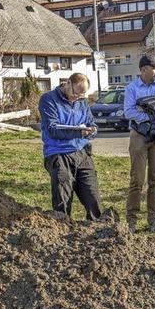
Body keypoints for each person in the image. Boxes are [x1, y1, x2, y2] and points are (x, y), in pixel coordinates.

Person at [38, 72, 102, 220]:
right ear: (67, 84)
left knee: (93, 197)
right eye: (75, 93)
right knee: (63, 199)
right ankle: (62, 230)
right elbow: (53, 129)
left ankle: (97, 230)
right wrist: (80, 133)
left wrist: (92, 131)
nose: (77, 97)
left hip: (81, 152)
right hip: (58, 154)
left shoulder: (82, 102)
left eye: (82, 95)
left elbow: (91, 123)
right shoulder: (48, 100)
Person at [124, 55, 155, 233]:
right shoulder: (132, 88)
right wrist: (152, 116)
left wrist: (150, 112)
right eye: (154, 68)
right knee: (137, 179)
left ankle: (154, 220)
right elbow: (129, 111)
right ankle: (131, 220)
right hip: (139, 135)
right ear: (144, 70)